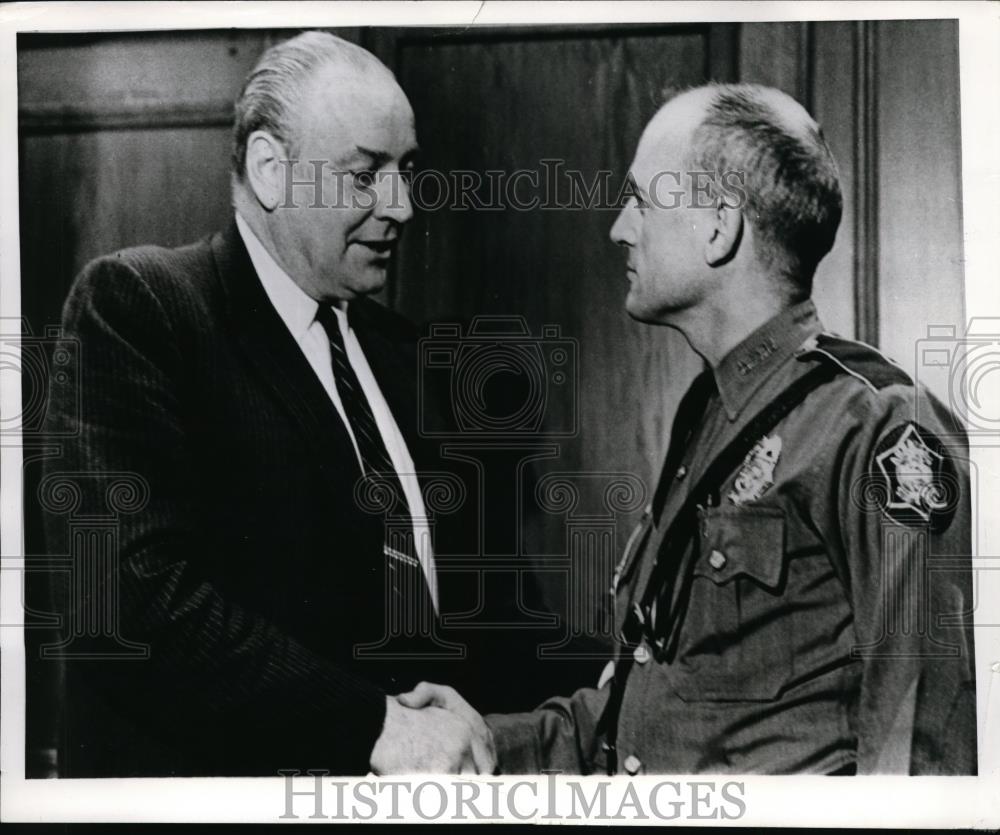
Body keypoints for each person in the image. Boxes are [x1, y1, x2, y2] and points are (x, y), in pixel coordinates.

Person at [399, 83, 978, 775]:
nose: (619, 227)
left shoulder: (879, 426)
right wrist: (485, 742)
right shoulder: (705, 415)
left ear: (717, 227)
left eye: (642, 200)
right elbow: (645, 720)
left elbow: (921, 755)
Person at [39, 31, 492, 777]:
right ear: (270, 169)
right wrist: (372, 725)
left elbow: (464, 614)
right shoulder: (142, 307)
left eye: (407, 171)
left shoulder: (406, 353)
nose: (403, 206)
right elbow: (125, 603)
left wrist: (610, 685)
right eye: (365, 174)